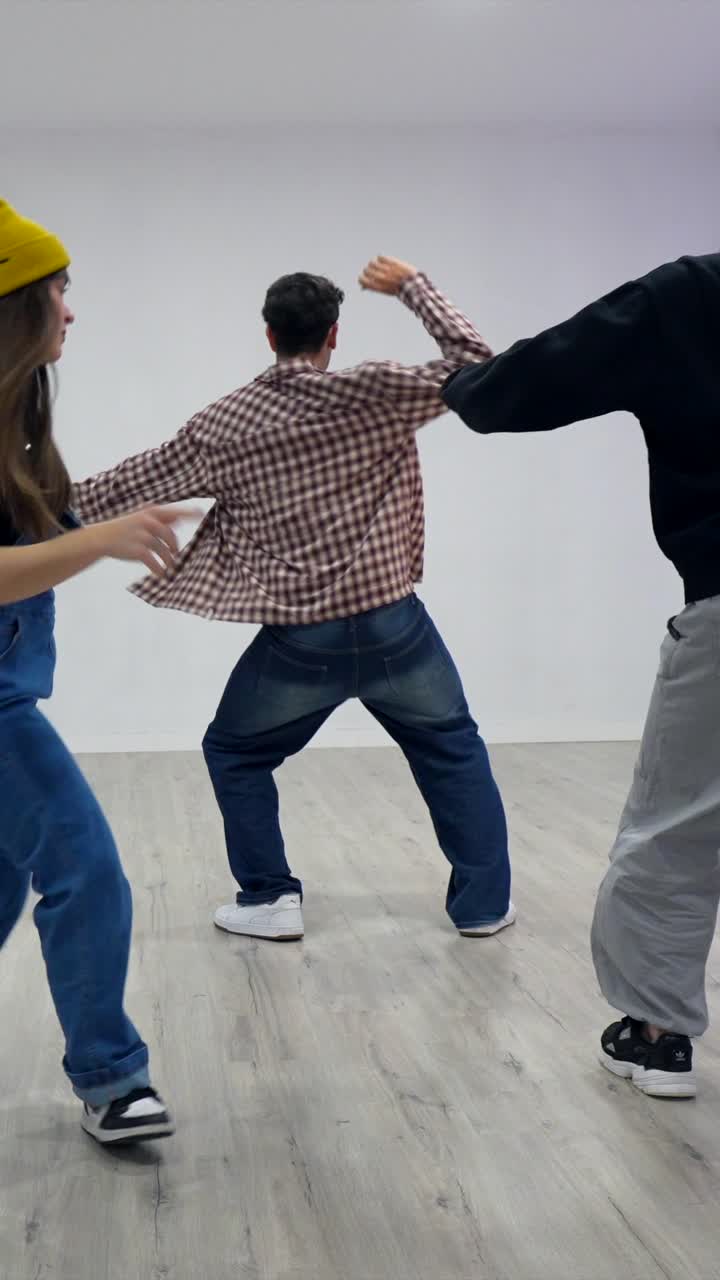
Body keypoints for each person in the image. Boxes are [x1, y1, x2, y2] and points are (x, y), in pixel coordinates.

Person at [72, 256, 514, 943]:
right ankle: (483, 907)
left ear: (270, 336)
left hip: (301, 642)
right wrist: (410, 288)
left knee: (235, 752)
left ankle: (270, 899)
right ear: (332, 334)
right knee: (452, 747)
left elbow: (134, 479)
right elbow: (478, 366)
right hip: (398, 627)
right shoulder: (379, 392)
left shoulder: (227, 424)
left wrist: (36, 504)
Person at [441, 251, 720, 1099]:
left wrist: (459, 381)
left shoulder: (692, 295)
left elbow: (514, 391)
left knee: (676, 823)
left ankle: (656, 1034)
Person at [0, 197, 183, 1143]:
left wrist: (110, 522)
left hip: (11, 694)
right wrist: (104, 539)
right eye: (56, 290)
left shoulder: (16, 420)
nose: (71, 309)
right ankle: (113, 1077)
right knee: (87, 869)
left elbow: (38, 529)